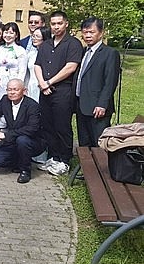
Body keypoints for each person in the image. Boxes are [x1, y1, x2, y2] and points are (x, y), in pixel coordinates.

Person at [34, 10, 82, 176]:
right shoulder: (46, 44)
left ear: (66, 24)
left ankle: (64, 160)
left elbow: (71, 67)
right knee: (48, 125)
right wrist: (42, 83)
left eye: (59, 23)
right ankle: (53, 157)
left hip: (62, 91)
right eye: (53, 24)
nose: (56, 27)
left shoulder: (73, 43)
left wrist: (49, 82)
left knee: (62, 126)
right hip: (45, 90)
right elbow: (37, 65)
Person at [0, 79, 45, 184]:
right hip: (13, 141)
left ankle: (25, 171)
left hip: (32, 141)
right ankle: (17, 161)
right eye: (9, 90)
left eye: (15, 89)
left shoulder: (32, 106)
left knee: (22, 140)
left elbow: (32, 128)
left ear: (24, 91)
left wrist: (5, 135)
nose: (12, 92)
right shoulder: (5, 100)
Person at [74, 17, 120, 148]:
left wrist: (102, 104)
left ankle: (102, 167)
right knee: (84, 140)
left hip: (97, 107)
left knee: (99, 142)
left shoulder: (110, 53)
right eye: (85, 32)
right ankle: (87, 166)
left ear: (101, 33)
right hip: (82, 104)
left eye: (91, 32)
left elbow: (110, 81)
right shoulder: (84, 51)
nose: (87, 36)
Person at [0, 22, 27, 90]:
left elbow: (22, 71)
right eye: (6, 32)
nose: (8, 35)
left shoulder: (20, 50)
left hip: (12, 84)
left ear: (16, 35)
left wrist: (18, 86)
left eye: (11, 33)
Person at [25, 27, 52, 102]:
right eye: (33, 36)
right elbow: (26, 73)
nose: (34, 38)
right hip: (31, 85)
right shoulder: (31, 54)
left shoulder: (50, 54)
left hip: (44, 85)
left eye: (37, 36)